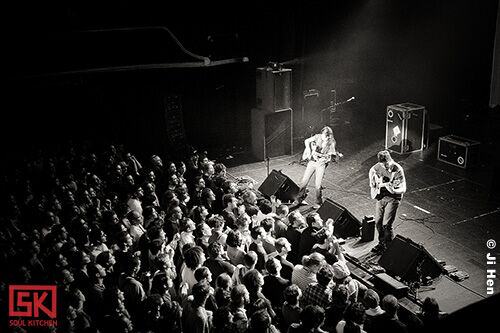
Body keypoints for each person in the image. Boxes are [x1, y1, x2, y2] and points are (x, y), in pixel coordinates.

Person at [368, 150, 407, 254]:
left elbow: (403, 188)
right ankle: (381, 243)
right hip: (381, 197)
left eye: (387, 165)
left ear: (390, 160)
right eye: (383, 165)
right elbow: (371, 170)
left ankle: (389, 248)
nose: (385, 167)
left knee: (386, 224)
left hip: (393, 198)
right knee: (378, 222)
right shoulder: (379, 166)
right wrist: (372, 181)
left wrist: (394, 190)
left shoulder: (397, 170)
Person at [297, 126, 341, 209]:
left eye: (328, 136)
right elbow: (306, 141)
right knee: (304, 181)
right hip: (312, 162)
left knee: (318, 185)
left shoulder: (331, 141)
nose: (326, 138)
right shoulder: (317, 137)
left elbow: (331, 154)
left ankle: (318, 202)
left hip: (321, 164)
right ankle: (298, 199)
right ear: (322, 133)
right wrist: (309, 149)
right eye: (325, 135)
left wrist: (322, 155)